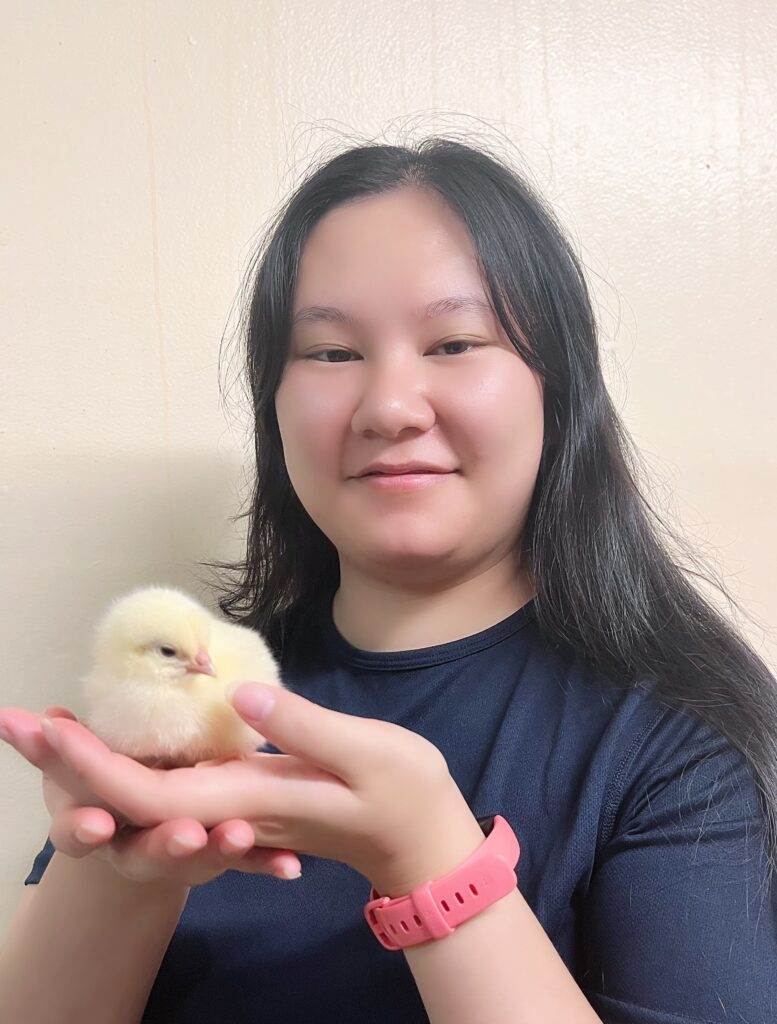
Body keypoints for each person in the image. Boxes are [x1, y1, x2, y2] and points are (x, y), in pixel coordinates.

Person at [1, 137, 776, 1024]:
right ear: (274, 405)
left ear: (557, 389)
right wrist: (116, 872)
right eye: (331, 353)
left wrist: (431, 864)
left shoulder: (677, 736)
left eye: (453, 342)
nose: (390, 407)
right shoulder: (196, 694)